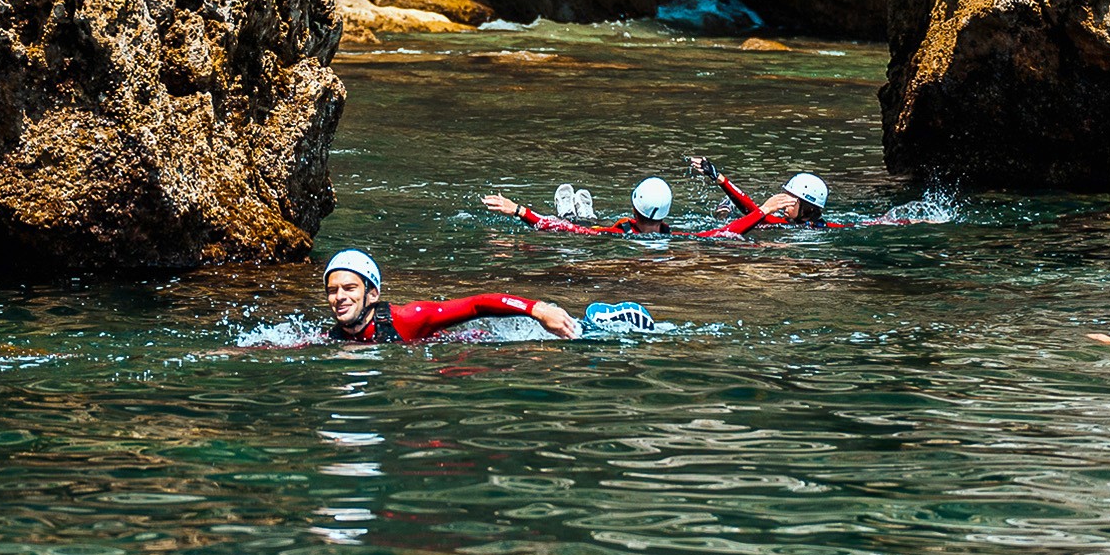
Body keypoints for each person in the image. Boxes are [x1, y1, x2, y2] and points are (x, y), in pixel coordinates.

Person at [323, 249, 580, 342]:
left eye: (349, 288)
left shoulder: (409, 318)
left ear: (372, 294)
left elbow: (477, 305)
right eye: (333, 291)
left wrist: (539, 310)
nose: (339, 297)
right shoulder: (331, 338)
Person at [687, 156, 840, 236]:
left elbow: (757, 214)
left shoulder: (823, 228)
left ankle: (723, 211)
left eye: (790, 200)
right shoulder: (786, 223)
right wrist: (720, 178)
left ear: (809, 208)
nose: (783, 203)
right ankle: (724, 212)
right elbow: (754, 212)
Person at [482, 177, 675, 236]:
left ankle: (569, 214)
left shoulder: (619, 233)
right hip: (606, 233)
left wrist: (519, 210)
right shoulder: (676, 236)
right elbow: (700, 236)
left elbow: (565, 228)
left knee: (576, 227)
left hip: (595, 234)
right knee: (592, 227)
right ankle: (587, 215)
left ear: (634, 208)